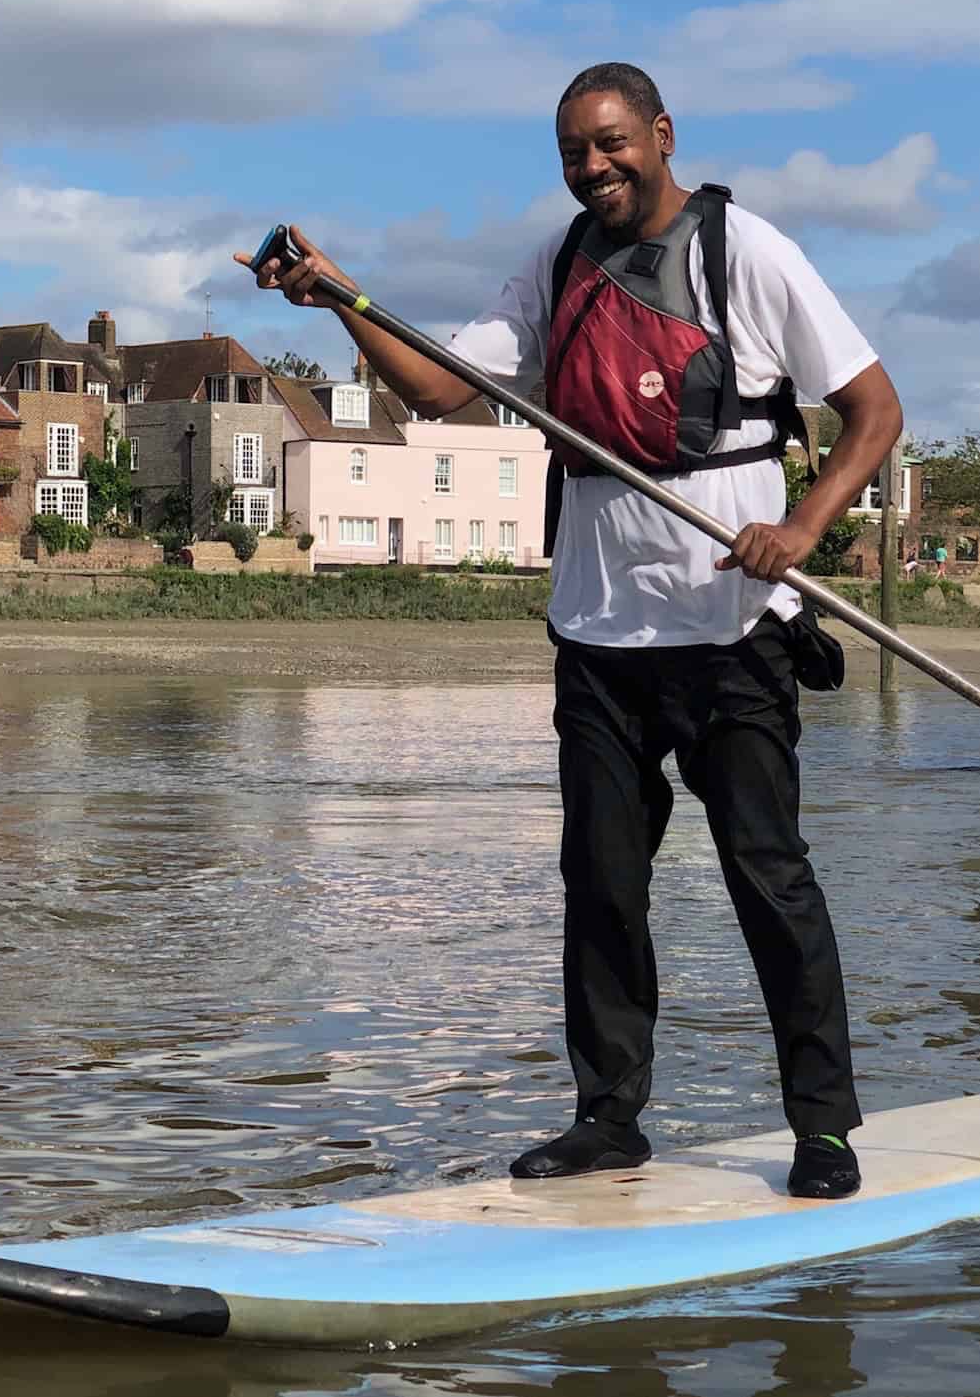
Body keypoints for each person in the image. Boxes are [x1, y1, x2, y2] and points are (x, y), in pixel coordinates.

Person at [242, 63, 903, 1202]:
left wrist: (800, 526)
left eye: (610, 145)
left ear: (660, 133)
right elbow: (443, 392)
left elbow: (875, 408)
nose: (592, 169)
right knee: (601, 882)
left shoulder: (746, 253)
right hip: (598, 632)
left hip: (731, 625)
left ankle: (825, 1126)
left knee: (768, 877)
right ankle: (609, 1118)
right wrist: (341, 299)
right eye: (572, 155)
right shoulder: (556, 267)